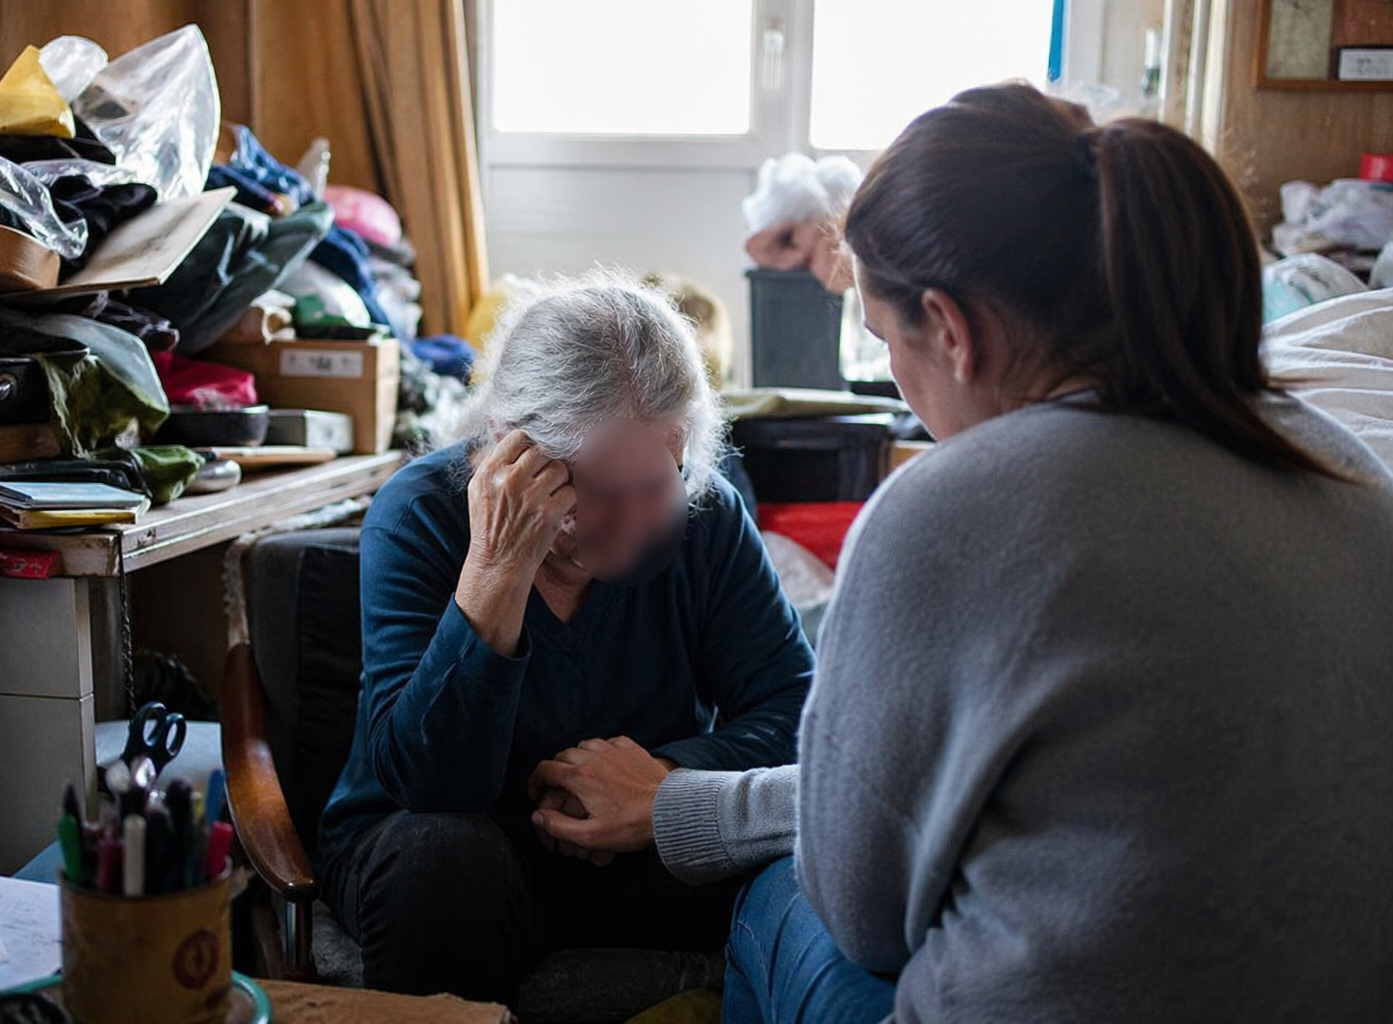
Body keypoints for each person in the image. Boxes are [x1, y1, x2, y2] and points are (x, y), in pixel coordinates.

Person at [530, 83, 1393, 1024]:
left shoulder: (946, 510)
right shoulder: (1338, 459)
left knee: (780, 894)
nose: (893, 373)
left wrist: (688, 813)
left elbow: (866, 915)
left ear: (951, 329)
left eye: (882, 338)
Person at [317, 277, 814, 1003]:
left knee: (794, 855)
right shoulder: (419, 516)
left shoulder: (706, 519)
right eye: (600, 493)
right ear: (508, 450)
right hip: (451, 845)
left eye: (660, 482)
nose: (637, 520)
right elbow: (429, 782)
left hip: (636, 843)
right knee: (443, 858)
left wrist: (659, 786)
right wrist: (498, 568)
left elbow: (799, 712)